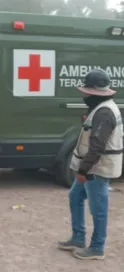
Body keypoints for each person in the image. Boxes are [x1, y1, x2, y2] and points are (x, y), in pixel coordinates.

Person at [58, 69, 123, 260]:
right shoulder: (101, 108)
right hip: (93, 167)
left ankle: (97, 247)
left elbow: (97, 147)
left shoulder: (103, 112)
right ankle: (78, 238)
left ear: (94, 91)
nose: (84, 94)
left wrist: (83, 170)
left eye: (87, 90)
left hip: (97, 168)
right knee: (75, 196)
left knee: (98, 208)